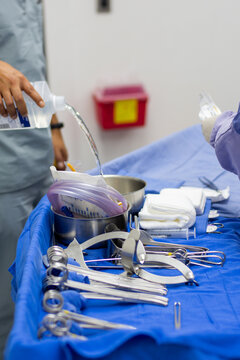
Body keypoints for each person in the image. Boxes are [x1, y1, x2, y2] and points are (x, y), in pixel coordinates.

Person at [0, 0, 68, 357]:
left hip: (36, 159)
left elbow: (32, 56)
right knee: (9, 309)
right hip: (4, 176)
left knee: (47, 289)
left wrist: (53, 126)